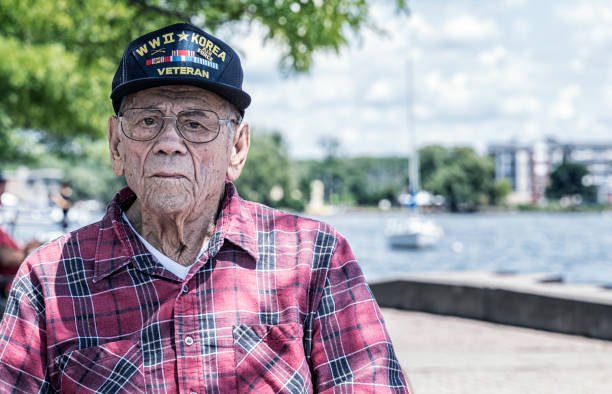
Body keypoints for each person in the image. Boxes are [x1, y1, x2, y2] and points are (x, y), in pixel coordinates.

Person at [0, 23, 409, 392]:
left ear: (237, 147)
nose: (169, 142)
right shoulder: (48, 279)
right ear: (116, 145)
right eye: (147, 121)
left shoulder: (315, 257)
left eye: (196, 123)